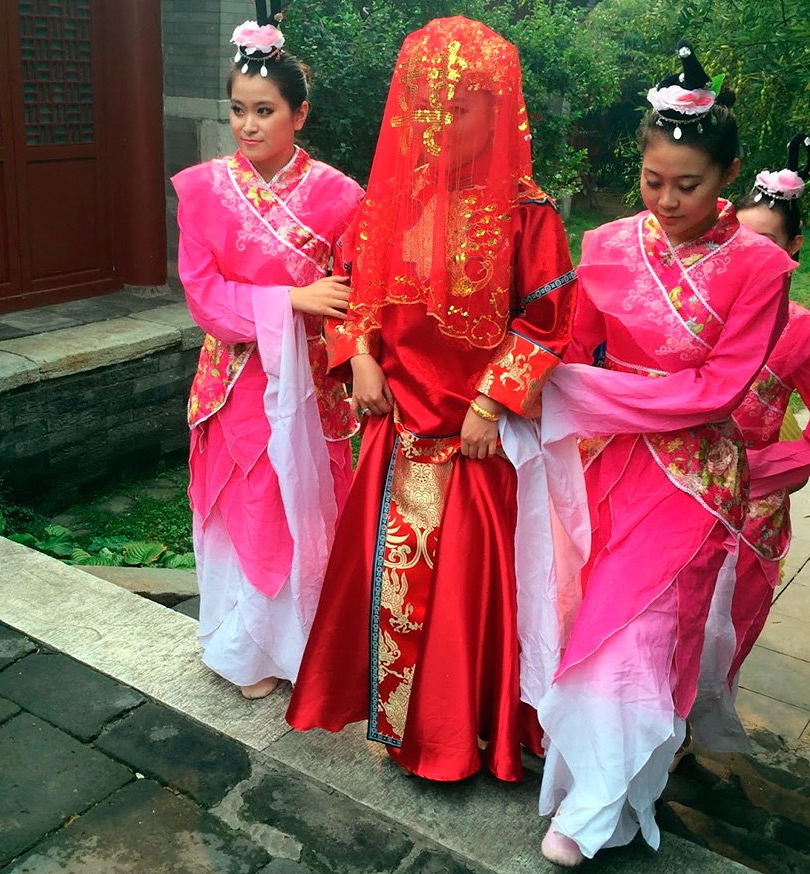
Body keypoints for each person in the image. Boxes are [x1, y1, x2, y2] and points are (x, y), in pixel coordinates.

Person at [286, 17, 581, 784]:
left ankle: (464, 736)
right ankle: (401, 729)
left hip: (476, 445)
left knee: (467, 602)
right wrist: (359, 356)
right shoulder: (392, 198)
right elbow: (350, 292)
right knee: (391, 587)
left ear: (496, 108)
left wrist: (491, 404)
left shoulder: (527, 212)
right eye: (425, 107)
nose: (438, 126)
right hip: (396, 435)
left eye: (457, 109)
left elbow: (548, 321)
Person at [535, 42, 798, 865]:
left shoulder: (760, 267)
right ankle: (594, 789)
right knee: (586, 623)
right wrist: (529, 383)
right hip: (605, 465)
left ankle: (593, 808)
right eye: (653, 181)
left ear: (727, 175)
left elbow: (717, 390)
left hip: (692, 481)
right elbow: (571, 348)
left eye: (688, 185)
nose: (667, 200)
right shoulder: (606, 243)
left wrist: (577, 394)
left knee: (642, 633)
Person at [171, 4, 363, 700]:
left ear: (299, 114)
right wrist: (292, 299)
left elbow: (355, 297)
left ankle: (306, 646)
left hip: (312, 383)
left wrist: (347, 343)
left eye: (264, 111)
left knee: (303, 509)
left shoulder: (342, 197)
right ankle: (245, 649)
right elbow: (204, 297)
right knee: (246, 510)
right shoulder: (203, 190)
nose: (247, 126)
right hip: (235, 380)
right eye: (238, 110)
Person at [691, 134, 810, 749]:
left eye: (768, 244)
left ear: (794, 249)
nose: (751, 255)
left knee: (723, 630)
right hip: (682, 487)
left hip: (751, 505)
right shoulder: (695, 306)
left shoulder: (801, 330)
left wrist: (773, 468)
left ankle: (686, 737)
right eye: (741, 239)